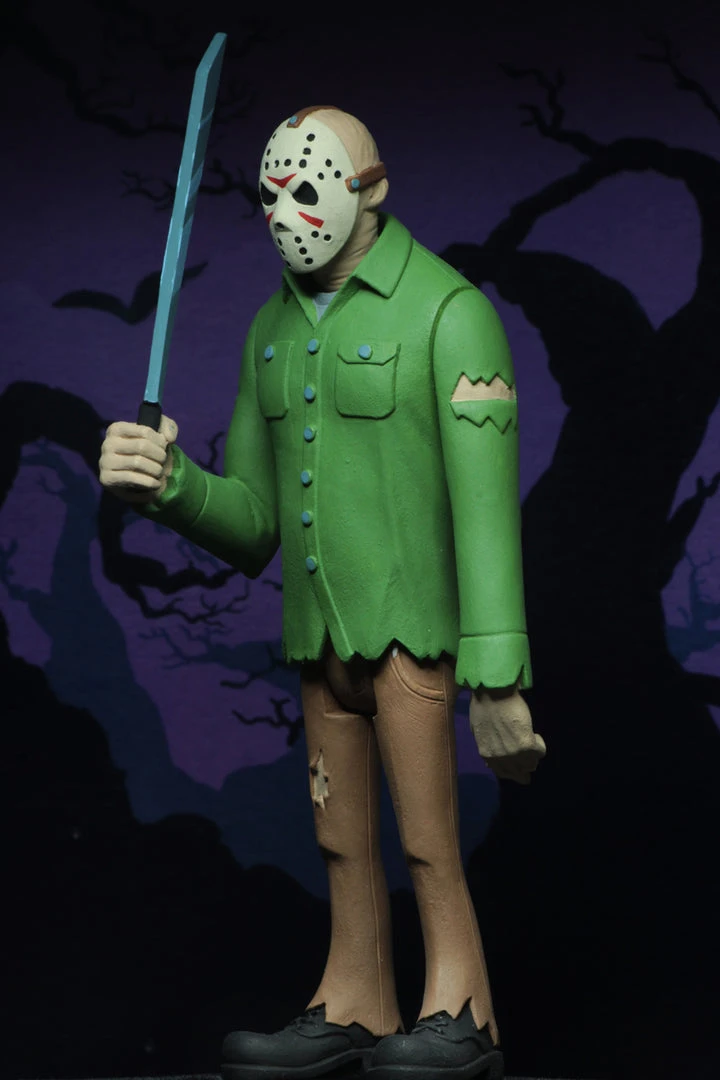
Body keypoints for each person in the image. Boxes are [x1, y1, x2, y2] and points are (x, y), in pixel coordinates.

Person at [99, 106, 546, 1080]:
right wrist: (168, 485)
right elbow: (255, 522)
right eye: (269, 197)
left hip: (411, 638)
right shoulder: (270, 330)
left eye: (306, 190)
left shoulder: (448, 312)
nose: (284, 214)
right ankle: (356, 1000)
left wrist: (497, 674)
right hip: (318, 642)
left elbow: (486, 515)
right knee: (340, 837)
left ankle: (462, 1009)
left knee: (428, 839)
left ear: (370, 191)